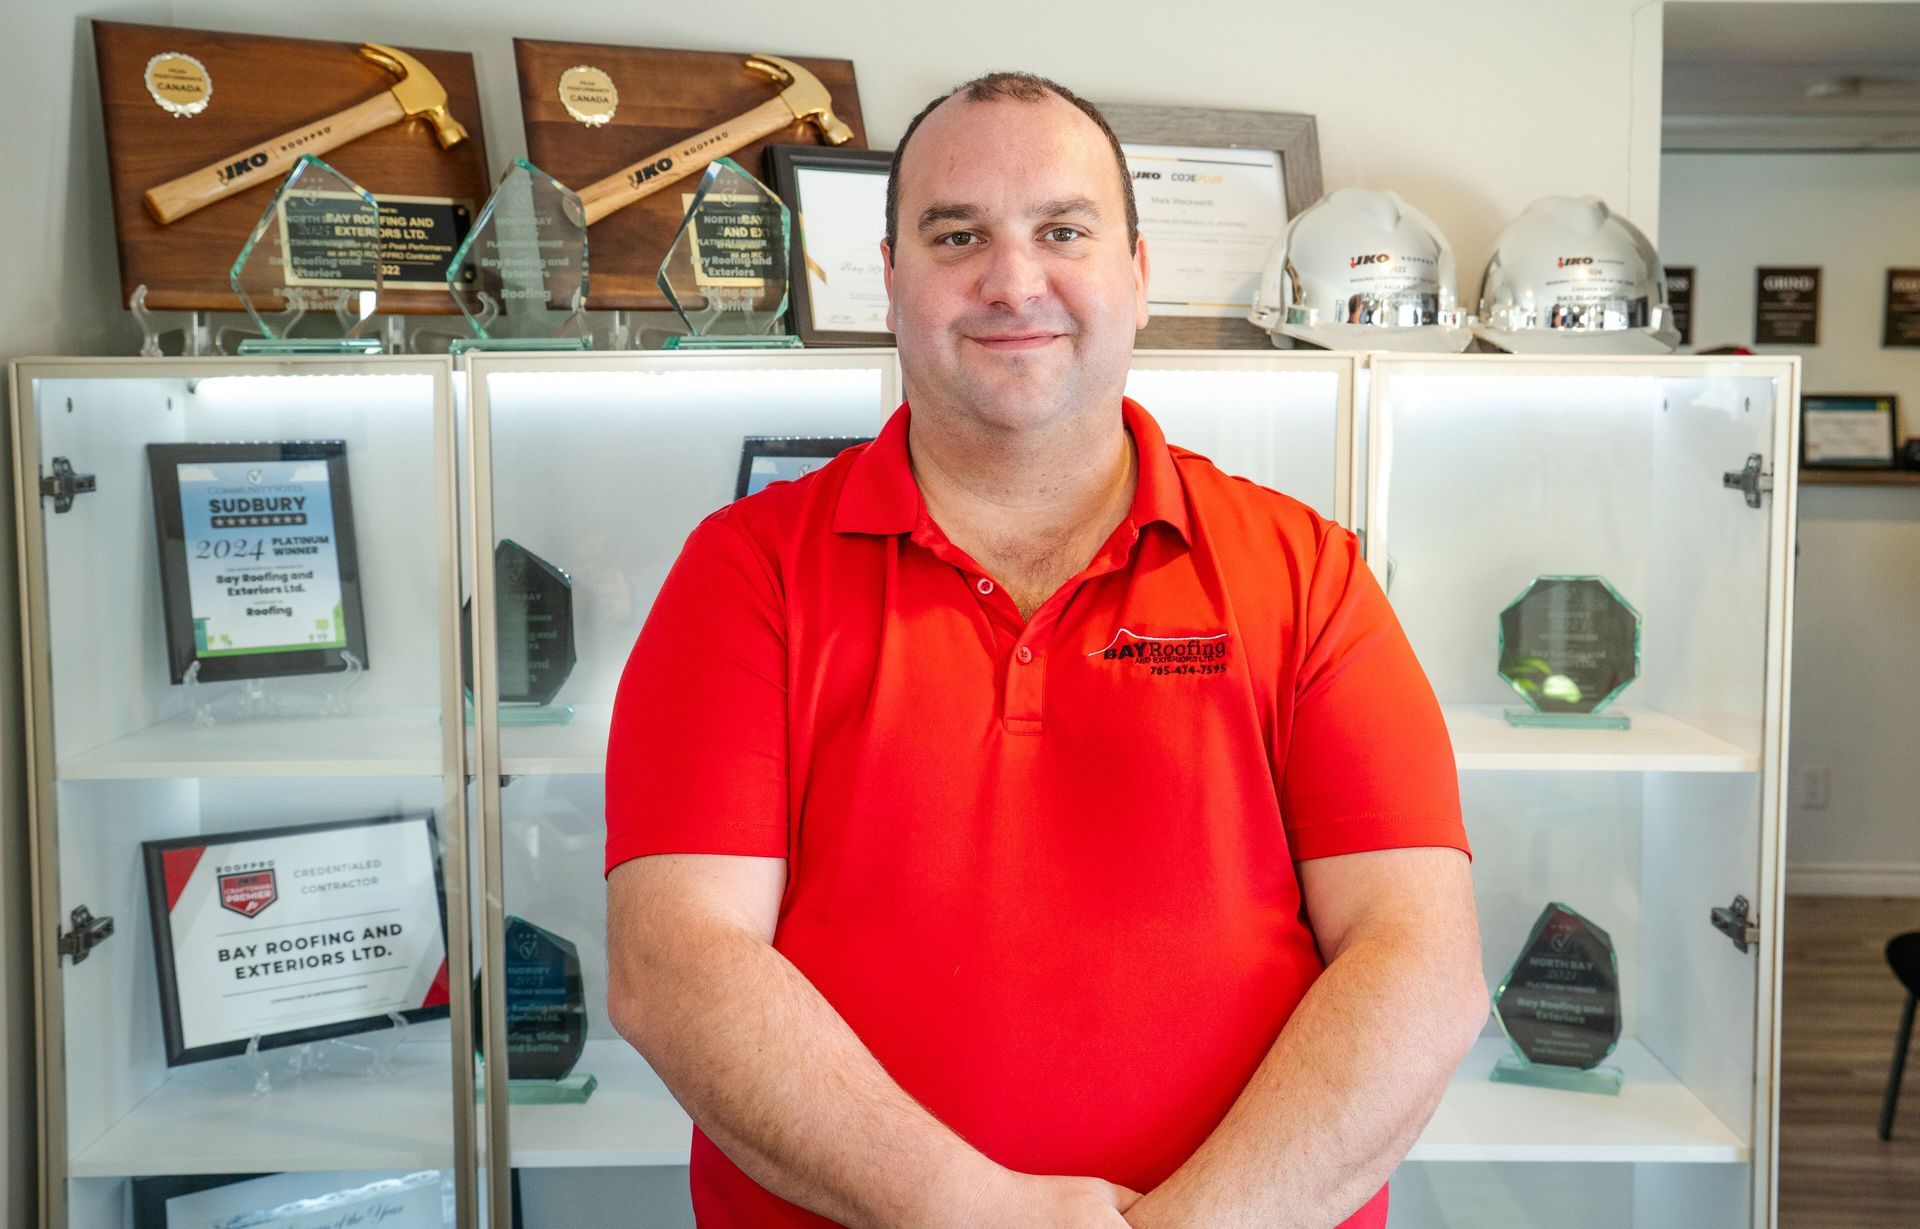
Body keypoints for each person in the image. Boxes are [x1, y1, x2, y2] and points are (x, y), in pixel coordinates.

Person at [605, 71, 1486, 1229]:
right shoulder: (745, 573)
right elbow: (677, 962)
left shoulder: (1306, 571)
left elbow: (1421, 961)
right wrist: (969, 1212)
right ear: (888, 280)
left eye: (1063, 231)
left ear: (1138, 273)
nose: (1013, 280)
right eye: (955, 233)